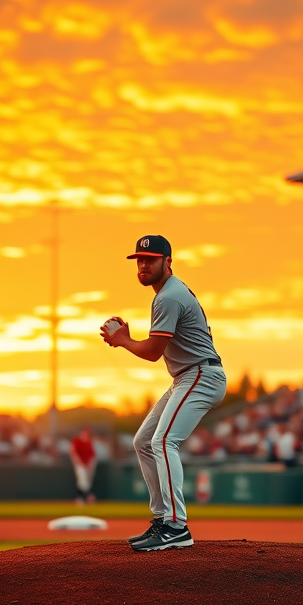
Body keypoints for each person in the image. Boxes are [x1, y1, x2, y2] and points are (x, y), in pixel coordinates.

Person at [102, 234, 227, 552]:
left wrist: (122, 340)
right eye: (140, 260)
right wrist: (127, 339)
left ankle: (175, 526)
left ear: (168, 262)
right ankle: (162, 519)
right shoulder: (167, 293)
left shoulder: (168, 296)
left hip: (201, 374)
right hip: (188, 376)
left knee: (162, 440)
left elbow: (153, 352)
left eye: (151, 259)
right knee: (143, 441)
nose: (143, 264)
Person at [70, 428, 98, 505]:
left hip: (87, 465)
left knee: (83, 482)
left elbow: (93, 455)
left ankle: (80, 498)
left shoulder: (89, 443)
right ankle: (89, 495)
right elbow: (73, 452)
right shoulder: (77, 441)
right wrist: (79, 462)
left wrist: (90, 465)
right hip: (79, 465)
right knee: (83, 480)